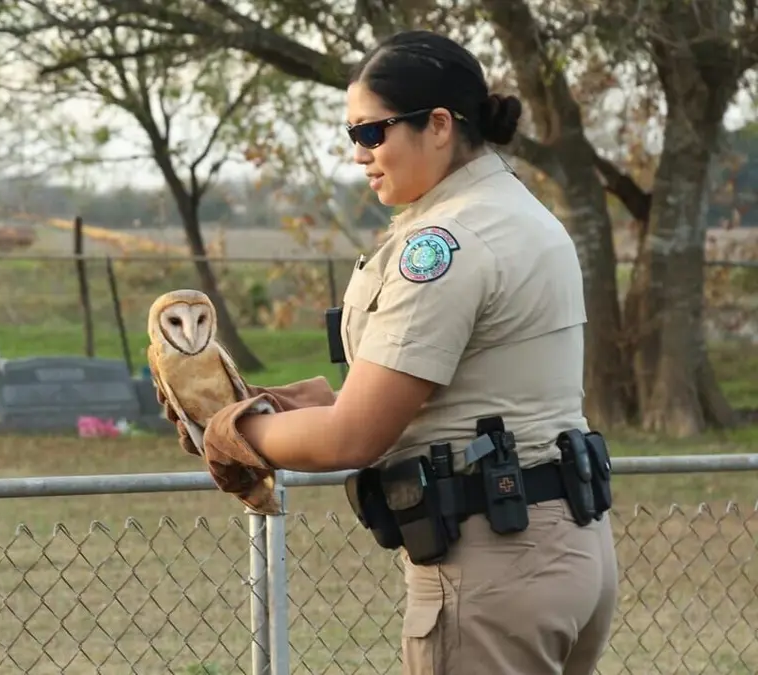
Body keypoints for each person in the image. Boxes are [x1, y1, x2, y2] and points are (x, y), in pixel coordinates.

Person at [189, 30, 619, 675]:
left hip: (492, 564)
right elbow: (462, 399)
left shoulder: (443, 244)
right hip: (562, 549)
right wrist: (307, 404)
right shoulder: (516, 211)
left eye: (371, 132)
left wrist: (229, 430)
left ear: (439, 125)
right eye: (352, 135)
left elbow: (352, 438)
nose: (359, 154)